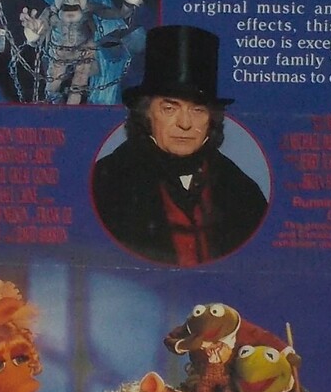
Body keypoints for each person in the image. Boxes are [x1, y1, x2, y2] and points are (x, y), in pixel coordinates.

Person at [91, 25, 268, 265]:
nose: (185, 123)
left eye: (198, 110)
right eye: (169, 108)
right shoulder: (106, 183)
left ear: (211, 119)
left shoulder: (243, 191)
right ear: (146, 115)